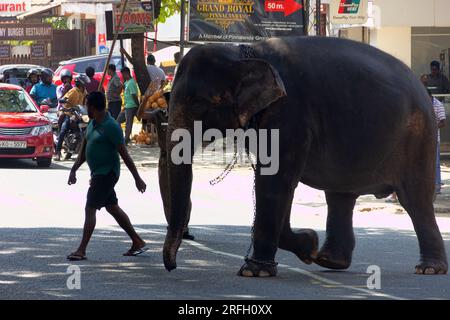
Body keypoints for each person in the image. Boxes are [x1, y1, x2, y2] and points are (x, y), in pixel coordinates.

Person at [67, 91, 148, 261]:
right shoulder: (92, 123)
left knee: (90, 209)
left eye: (87, 105)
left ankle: (81, 250)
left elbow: (124, 154)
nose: (85, 108)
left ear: (94, 107)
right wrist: (74, 169)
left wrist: (137, 178)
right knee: (112, 207)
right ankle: (137, 241)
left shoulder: (111, 126)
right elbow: (84, 150)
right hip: (97, 173)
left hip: (107, 173)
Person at [54, 74, 89, 161]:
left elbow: (87, 100)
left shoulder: (84, 91)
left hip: (80, 114)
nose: (85, 85)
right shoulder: (73, 91)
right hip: (69, 113)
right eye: (84, 83)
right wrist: (64, 102)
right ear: (80, 83)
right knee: (63, 130)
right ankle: (57, 153)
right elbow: (64, 99)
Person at [429, 89, 447, 194]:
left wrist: (431, 126)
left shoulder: (438, 105)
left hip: (434, 138)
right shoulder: (424, 103)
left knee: (435, 162)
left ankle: (437, 186)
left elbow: (443, 123)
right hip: (424, 139)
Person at [117, 67, 139, 145]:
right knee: (118, 121)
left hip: (131, 106)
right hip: (127, 106)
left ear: (126, 73)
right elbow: (118, 91)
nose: (122, 76)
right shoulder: (127, 82)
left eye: (122, 74)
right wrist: (122, 83)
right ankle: (123, 138)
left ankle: (126, 140)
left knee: (128, 124)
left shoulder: (131, 83)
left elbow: (134, 95)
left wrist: (138, 105)